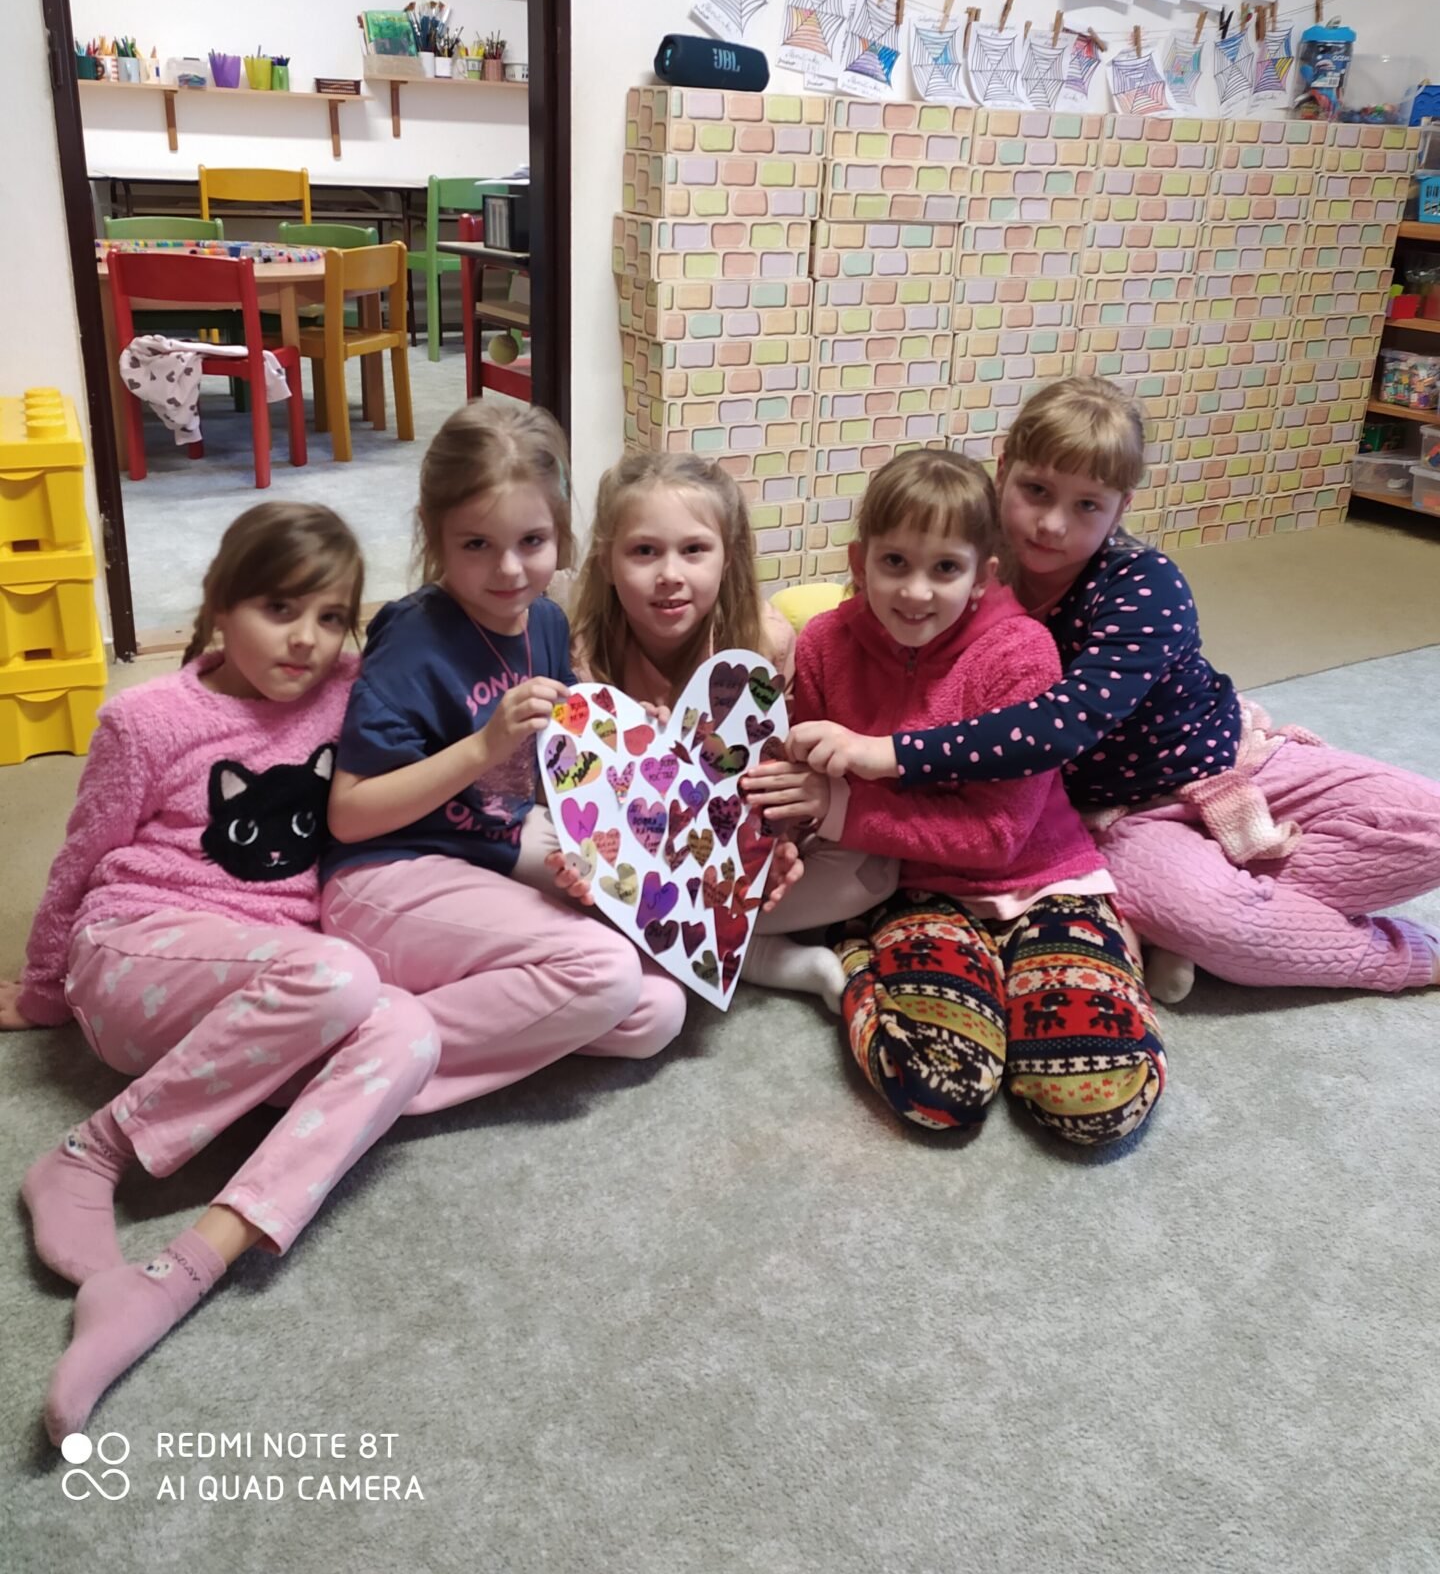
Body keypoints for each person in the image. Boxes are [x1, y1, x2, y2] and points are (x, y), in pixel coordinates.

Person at [1, 503, 438, 1442]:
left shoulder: (352, 691)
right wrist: (41, 991)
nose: (307, 639)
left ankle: (177, 1276)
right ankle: (91, 1153)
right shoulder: (145, 719)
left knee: (409, 1029)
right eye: (281, 608)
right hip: (135, 951)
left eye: (331, 617)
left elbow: (440, 667)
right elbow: (79, 858)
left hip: (270, 992)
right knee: (342, 978)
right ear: (219, 603)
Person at [788, 376, 1440, 1004]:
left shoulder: (1144, 584)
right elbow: (868, 615)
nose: (1052, 524)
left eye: (1087, 505)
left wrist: (894, 754)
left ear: (1121, 508)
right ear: (1003, 471)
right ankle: (1394, 954)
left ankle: (1212, 903)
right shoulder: (962, 572)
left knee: (1426, 826)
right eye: (1036, 490)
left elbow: (1062, 724)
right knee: (1210, 920)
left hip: (1228, 757)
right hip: (1114, 819)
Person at [746, 450, 1166, 1141]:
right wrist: (787, 830)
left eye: (945, 568)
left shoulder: (1022, 653)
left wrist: (840, 806)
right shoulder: (822, 645)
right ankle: (866, 963)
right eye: (895, 562)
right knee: (936, 1088)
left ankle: (1098, 963)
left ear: (982, 576)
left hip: (1044, 881)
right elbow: (802, 787)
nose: (916, 592)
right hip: (911, 891)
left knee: (1096, 1101)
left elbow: (997, 837)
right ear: (859, 562)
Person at [321, 402, 688, 1107]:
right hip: (389, 878)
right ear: (434, 534)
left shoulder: (544, 619)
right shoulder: (412, 636)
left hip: (490, 860)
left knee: (657, 1010)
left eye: (532, 540)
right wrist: (484, 746)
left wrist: (633, 733)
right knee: (607, 972)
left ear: (562, 533)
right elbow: (349, 815)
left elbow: (567, 752)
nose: (510, 568)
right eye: (477, 544)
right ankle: (355, 1060)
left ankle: (407, 1036)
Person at [569, 450, 896, 1011]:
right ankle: (751, 953)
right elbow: (584, 792)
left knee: (874, 870)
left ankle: (711, 940)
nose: (669, 575)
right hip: (641, 842)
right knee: (543, 851)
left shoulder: (765, 642)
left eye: (694, 550)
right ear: (605, 560)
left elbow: (777, 771)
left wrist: (780, 841)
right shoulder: (585, 649)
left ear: (728, 556)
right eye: (644, 551)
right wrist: (638, 758)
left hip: (734, 840)